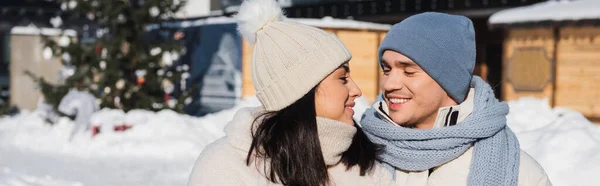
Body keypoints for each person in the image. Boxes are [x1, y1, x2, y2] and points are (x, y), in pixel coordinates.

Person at [187, 0, 393, 185]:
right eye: (342, 78)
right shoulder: (223, 168)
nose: (356, 90)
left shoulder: (364, 163)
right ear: (301, 90)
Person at [360, 12, 552, 186]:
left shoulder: (522, 175)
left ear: (448, 82)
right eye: (386, 69)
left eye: (408, 71)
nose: (388, 84)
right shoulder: (358, 155)